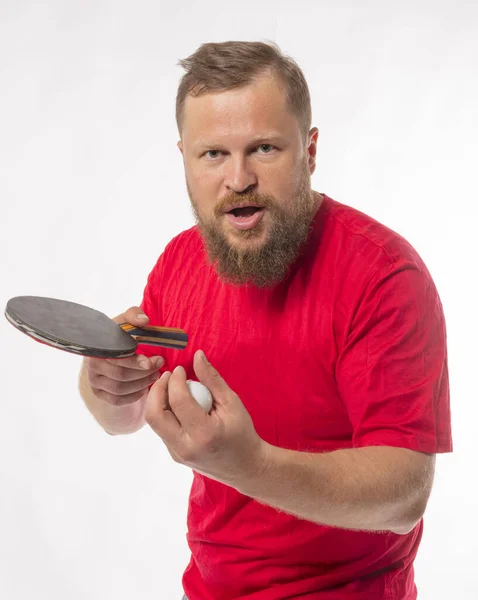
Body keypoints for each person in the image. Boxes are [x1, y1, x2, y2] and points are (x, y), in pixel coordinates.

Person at [78, 41, 453, 600]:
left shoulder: (383, 276)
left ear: (311, 149)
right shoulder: (180, 262)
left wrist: (248, 464)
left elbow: (403, 498)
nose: (238, 178)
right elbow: (123, 416)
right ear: (184, 157)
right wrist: (104, 385)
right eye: (213, 155)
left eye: (264, 149)